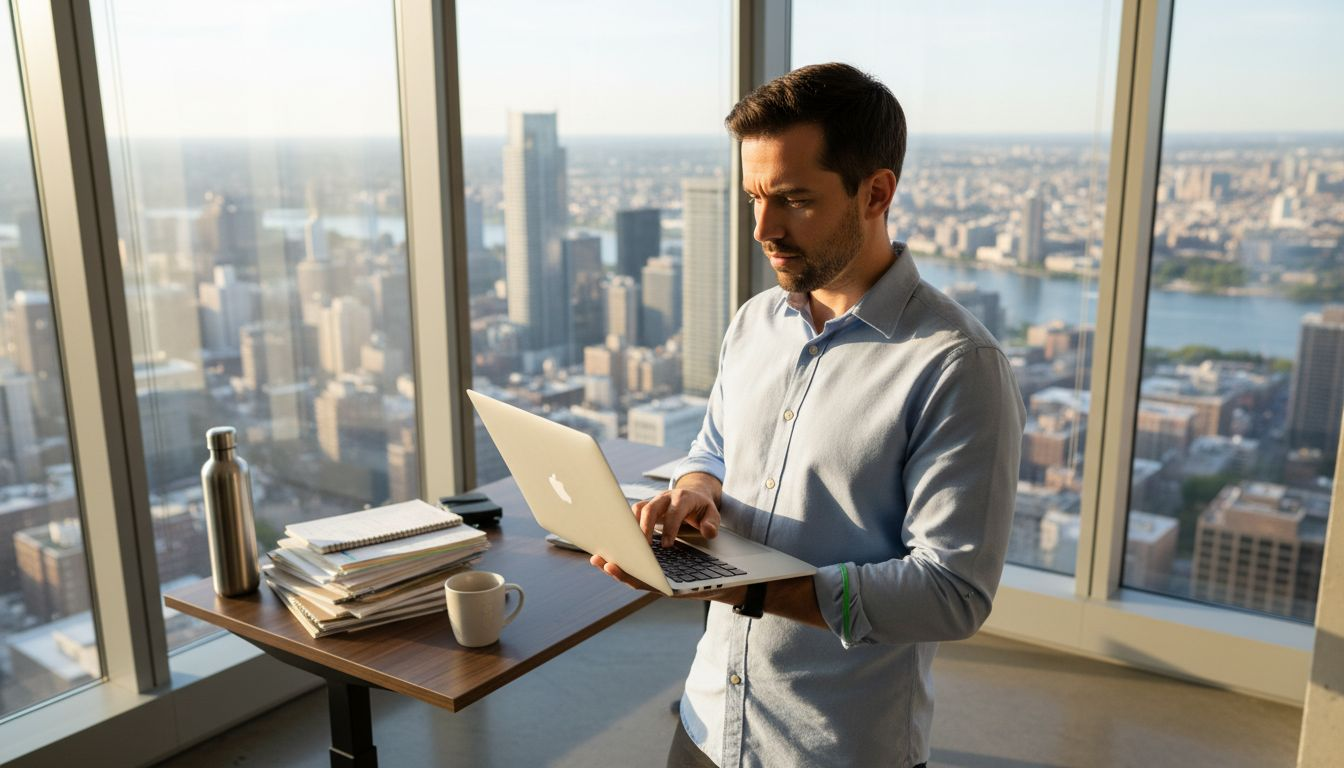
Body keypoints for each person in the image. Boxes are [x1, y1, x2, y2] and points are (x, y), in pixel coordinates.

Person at [590, 62, 1026, 768]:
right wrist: (694, 494)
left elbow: (952, 594)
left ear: (876, 192)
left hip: (836, 748)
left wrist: (744, 588)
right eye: (754, 197)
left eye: (794, 199)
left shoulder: (956, 365)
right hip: (709, 720)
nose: (764, 227)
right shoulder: (753, 324)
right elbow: (714, 449)